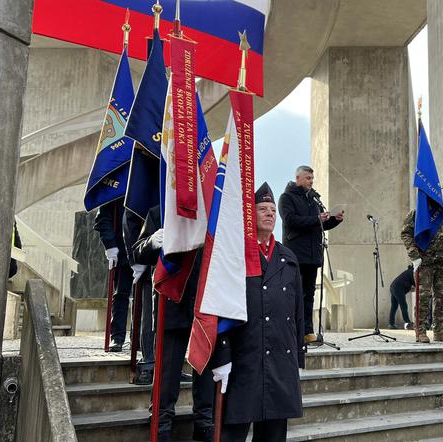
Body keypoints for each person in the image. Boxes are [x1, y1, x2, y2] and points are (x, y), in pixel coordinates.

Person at [210, 182, 305, 441]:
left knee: (273, 435)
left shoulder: (288, 258)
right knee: (233, 434)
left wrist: (297, 357)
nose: (270, 214)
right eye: (263, 209)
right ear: (250, 215)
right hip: (245, 360)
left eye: (273, 210)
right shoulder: (237, 255)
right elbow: (221, 307)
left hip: (280, 362)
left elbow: (298, 314)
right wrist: (222, 356)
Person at [133, 205, 213, 442]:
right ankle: (162, 424)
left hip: (204, 301)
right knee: (167, 372)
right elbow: (138, 252)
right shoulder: (161, 209)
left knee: (206, 371)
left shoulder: (212, 209)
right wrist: (151, 242)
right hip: (172, 303)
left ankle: (204, 423)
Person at [278, 165, 344, 345]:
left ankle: (307, 331)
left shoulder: (313, 199)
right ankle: (293, 332)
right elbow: (291, 220)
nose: (311, 181)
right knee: (295, 295)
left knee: (309, 296)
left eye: (312, 178)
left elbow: (319, 225)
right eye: (308, 178)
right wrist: (316, 219)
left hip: (313, 256)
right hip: (296, 255)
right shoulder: (286, 198)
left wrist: (334, 220)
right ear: (297, 178)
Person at [400, 210, 443, 343]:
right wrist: (414, 255)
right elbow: (406, 234)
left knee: (442, 296)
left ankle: (439, 331)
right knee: (423, 296)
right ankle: (420, 331)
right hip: (424, 262)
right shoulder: (417, 213)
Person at [93, 199, 132, 352]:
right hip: (122, 249)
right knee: (121, 294)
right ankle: (117, 337)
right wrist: (110, 245)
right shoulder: (117, 187)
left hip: (144, 248)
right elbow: (103, 218)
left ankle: (141, 339)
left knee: (144, 297)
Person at [123, 209, 155, 385]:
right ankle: (148, 363)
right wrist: (136, 259)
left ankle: (171, 365)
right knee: (149, 316)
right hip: (148, 257)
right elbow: (130, 219)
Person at [388, 265, 415, 330]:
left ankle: (391, 324)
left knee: (394, 306)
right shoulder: (412, 272)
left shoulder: (408, 271)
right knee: (403, 305)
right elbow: (415, 283)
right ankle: (408, 323)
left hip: (393, 286)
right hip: (398, 287)